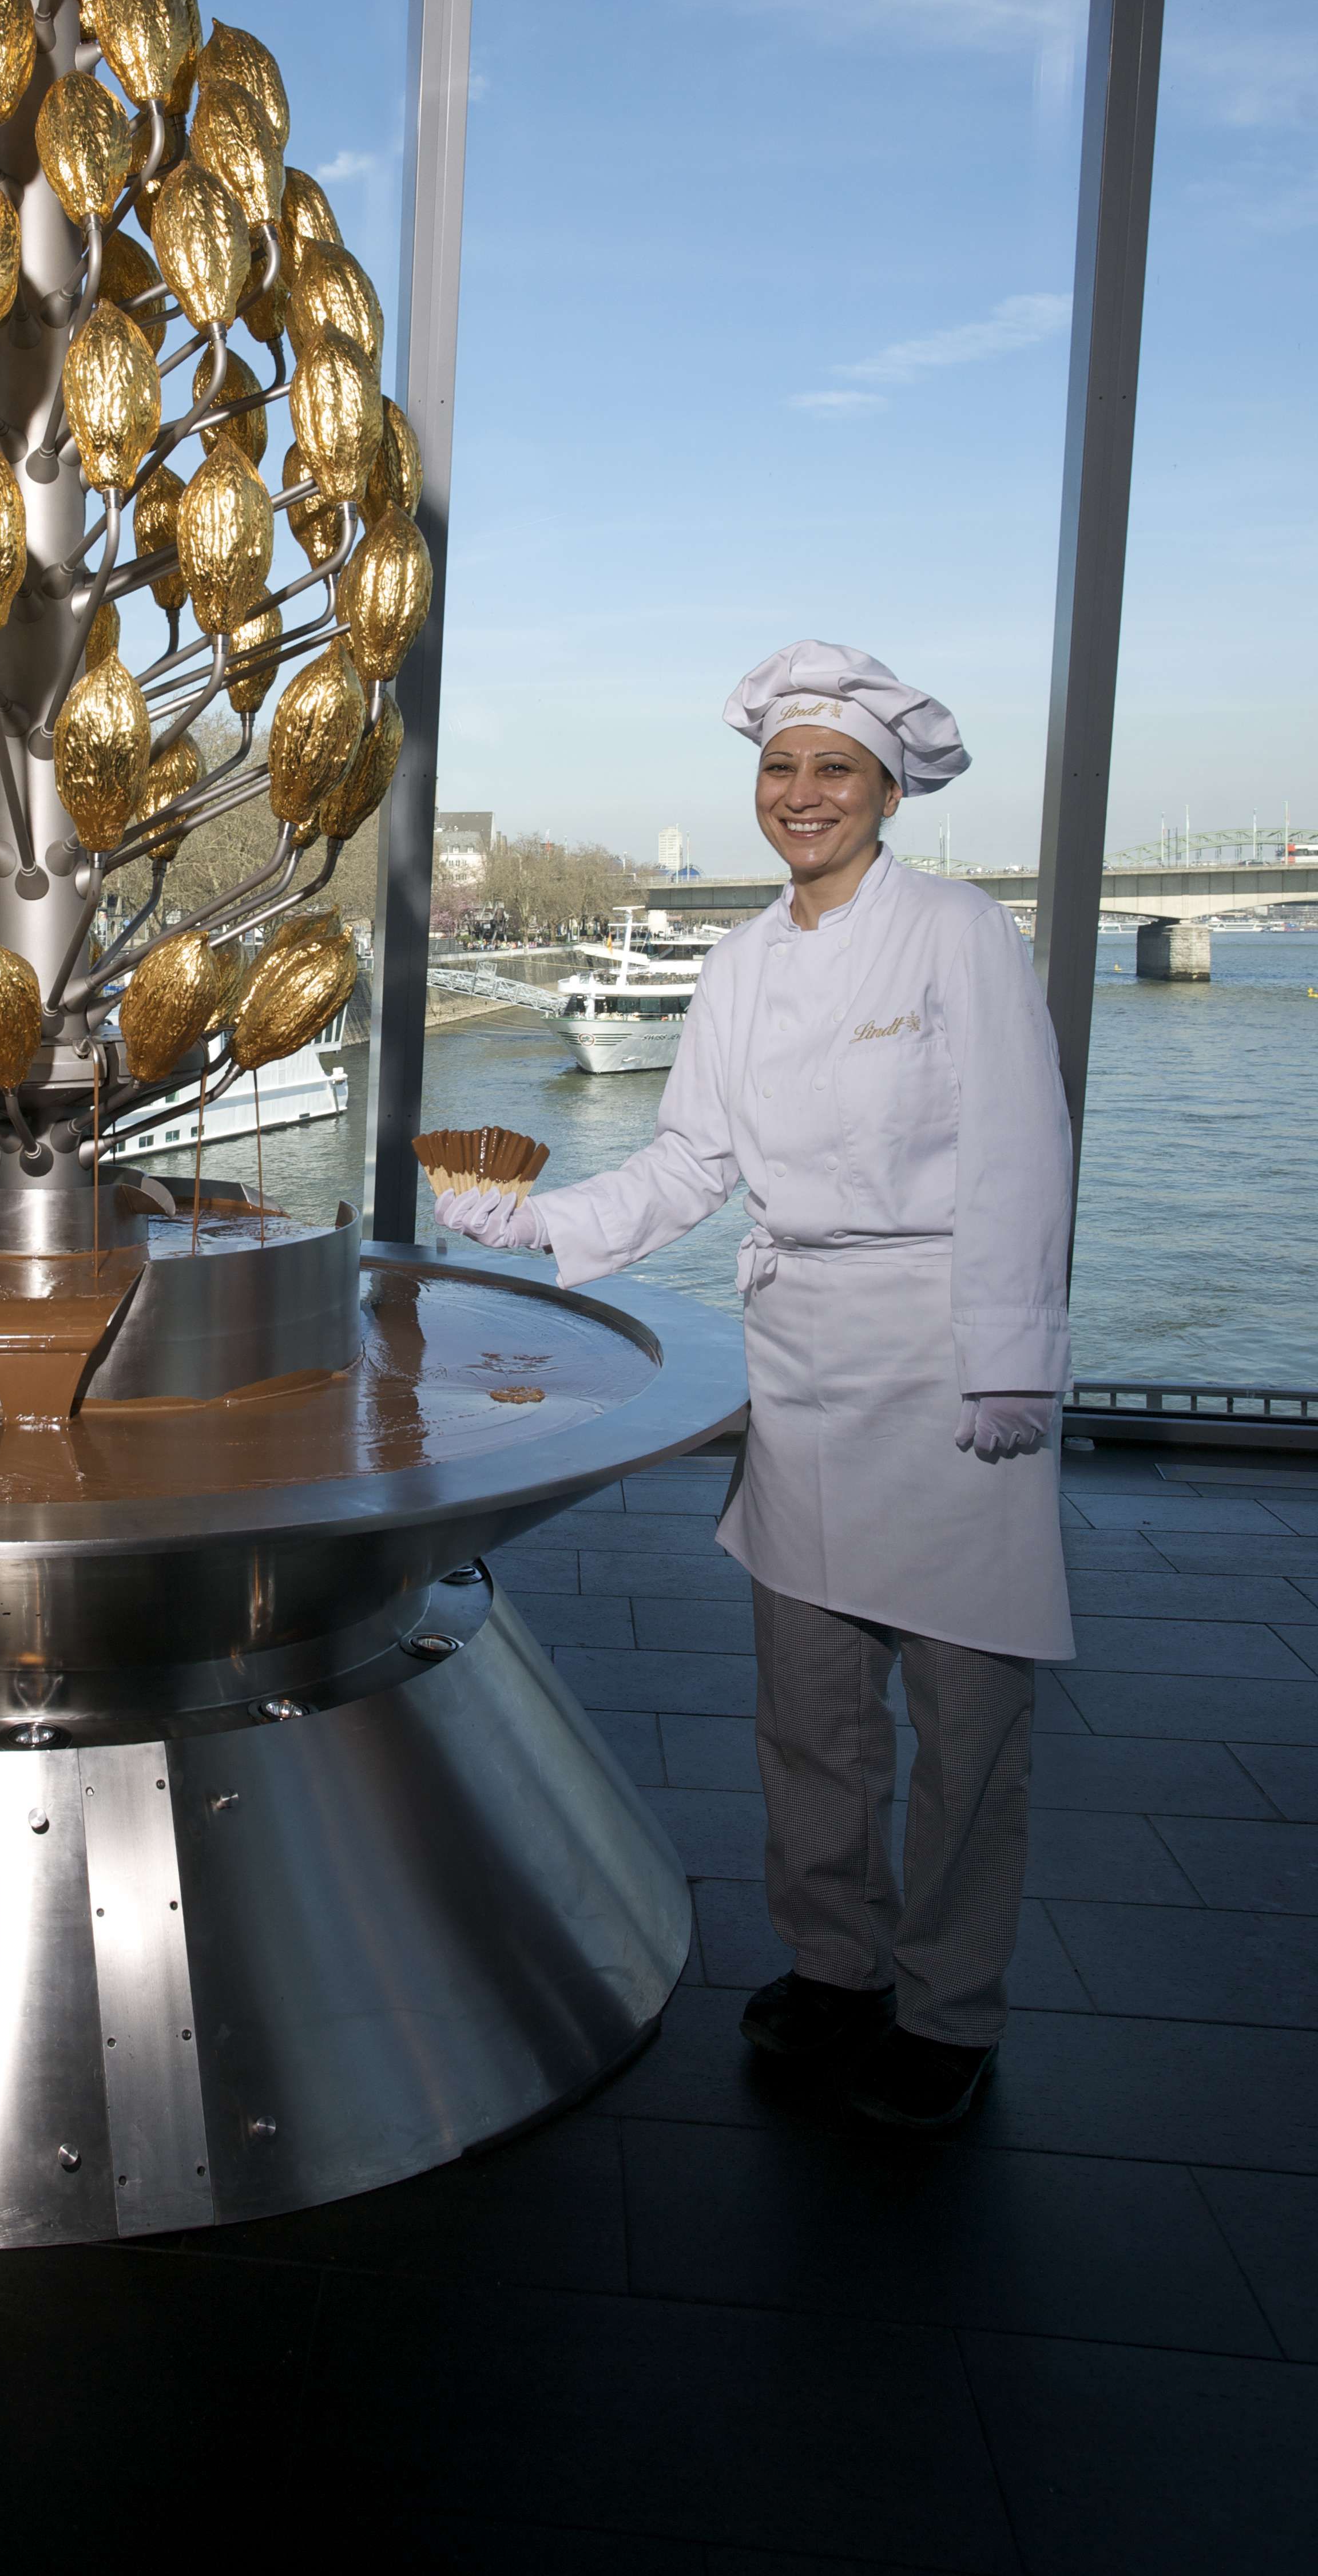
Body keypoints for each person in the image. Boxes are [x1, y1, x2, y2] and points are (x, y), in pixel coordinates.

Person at [437, 641, 1073, 2132]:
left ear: (888, 788)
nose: (803, 795)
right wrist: (544, 1223)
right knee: (811, 1708)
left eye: (833, 769)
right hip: (803, 1351)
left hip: (938, 1349)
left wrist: (1009, 1357)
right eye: (782, 769)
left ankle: (949, 2009)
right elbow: (691, 1167)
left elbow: (1022, 1153)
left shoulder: (960, 936)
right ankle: (836, 1963)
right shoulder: (737, 960)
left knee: (968, 1720)